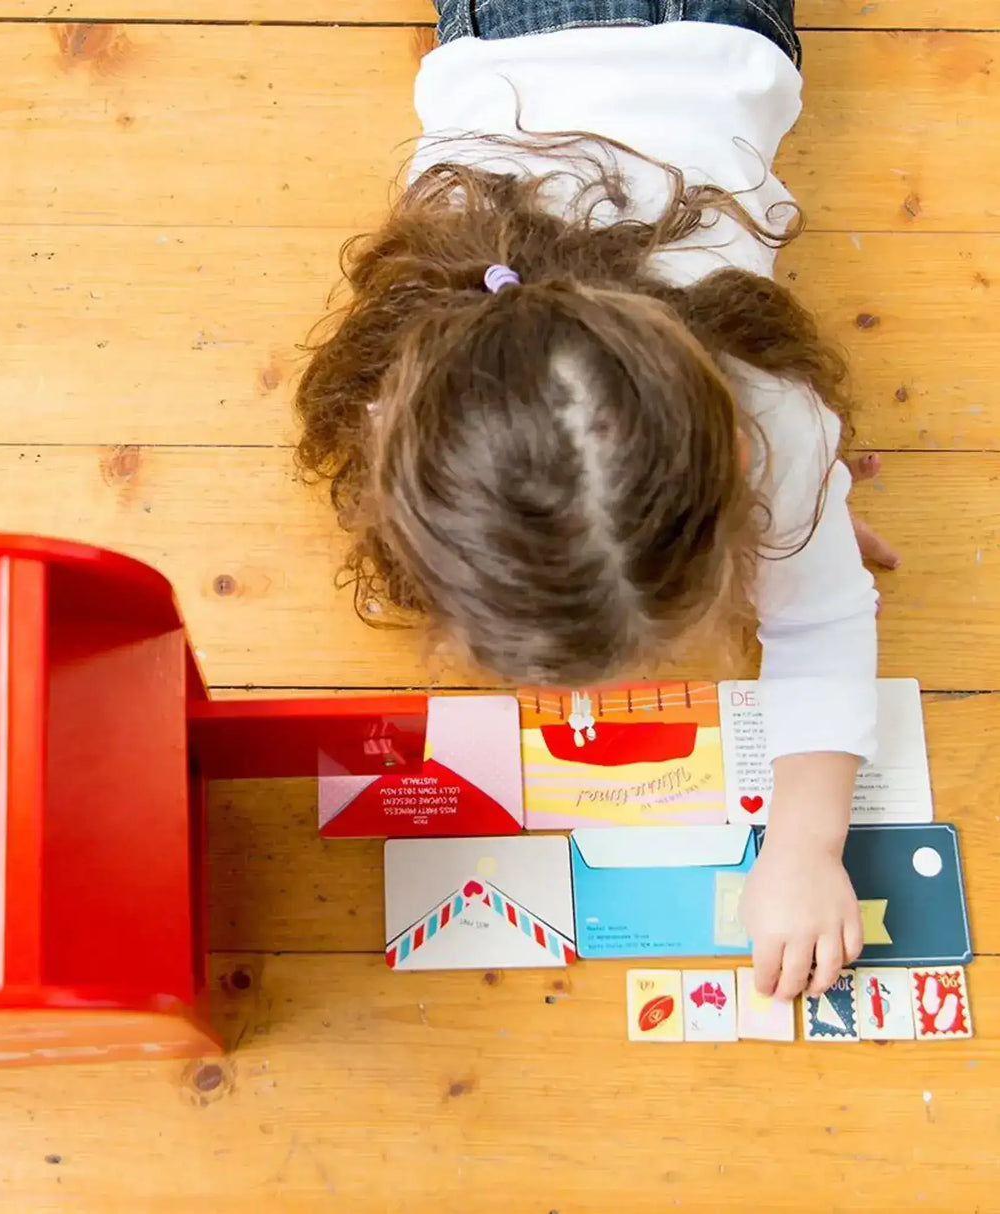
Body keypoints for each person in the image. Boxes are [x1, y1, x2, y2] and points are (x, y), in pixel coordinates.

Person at [294, 0, 900, 1000]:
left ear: (738, 462)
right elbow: (817, 611)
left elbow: (826, 622)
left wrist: (803, 845)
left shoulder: (770, 417)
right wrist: (800, 517)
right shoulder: (406, 391)